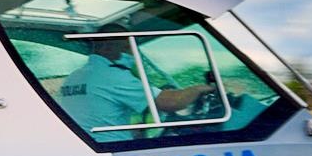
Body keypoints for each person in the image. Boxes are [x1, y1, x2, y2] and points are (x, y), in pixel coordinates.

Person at [57, 37, 215, 141]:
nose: (133, 54)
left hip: (92, 146)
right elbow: (172, 102)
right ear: (107, 48)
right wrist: (201, 88)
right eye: (128, 47)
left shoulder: (75, 76)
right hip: (113, 150)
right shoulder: (112, 75)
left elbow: (98, 113)